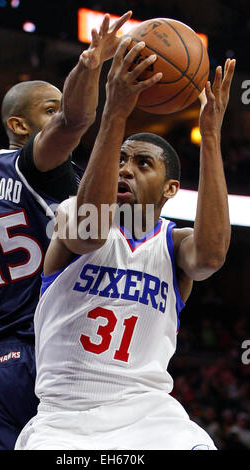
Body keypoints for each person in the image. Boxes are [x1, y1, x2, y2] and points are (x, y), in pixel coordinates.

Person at [15, 37, 236, 450]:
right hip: (67, 419)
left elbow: (210, 257)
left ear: (171, 188)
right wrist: (115, 110)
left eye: (142, 163)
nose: (126, 169)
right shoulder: (71, 214)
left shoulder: (175, 245)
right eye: (122, 159)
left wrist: (210, 136)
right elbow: (89, 234)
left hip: (149, 416)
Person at [0, 12, 133, 450]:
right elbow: (74, 120)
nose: (58, 116)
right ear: (19, 126)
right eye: (47, 109)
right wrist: (90, 64)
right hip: (54, 355)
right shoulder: (38, 165)